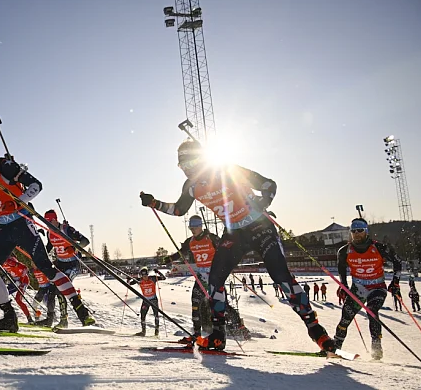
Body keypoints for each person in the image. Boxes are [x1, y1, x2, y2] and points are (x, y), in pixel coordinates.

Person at [140, 138, 335, 352]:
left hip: (260, 228)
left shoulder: (226, 170)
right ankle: (218, 335)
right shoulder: (190, 186)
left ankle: (316, 331)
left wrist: (264, 201)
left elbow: (269, 184)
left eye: (188, 164)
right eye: (181, 166)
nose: (185, 170)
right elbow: (178, 210)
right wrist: (154, 203)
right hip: (234, 234)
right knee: (215, 279)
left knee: (280, 275)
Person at [0, 132, 95, 332]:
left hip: (22, 223)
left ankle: (81, 311)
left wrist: (21, 202)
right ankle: (9, 318)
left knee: (46, 267)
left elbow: (36, 185)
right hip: (4, 227)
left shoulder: (4, 166)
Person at [335, 218, 402, 360]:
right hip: (357, 288)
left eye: (360, 231)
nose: (357, 234)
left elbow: (397, 262)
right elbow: (341, 270)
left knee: (372, 311)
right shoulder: (344, 251)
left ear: (366, 231)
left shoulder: (379, 248)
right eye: (353, 231)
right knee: (345, 319)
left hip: (376, 287)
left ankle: (376, 349)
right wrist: (343, 286)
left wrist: (395, 282)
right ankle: (335, 348)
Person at [163, 215, 218, 343]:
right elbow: (181, 252)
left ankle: (226, 332)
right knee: (195, 304)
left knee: (218, 305)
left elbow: (225, 251)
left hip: (214, 276)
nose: (193, 230)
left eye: (195, 227)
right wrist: (170, 259)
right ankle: (197, 335)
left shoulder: (211, 238)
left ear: (201, 226)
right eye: (191, 228)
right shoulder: (190, 241)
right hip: (201, 277)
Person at [128, 267, 166, 337]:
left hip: (153, 299)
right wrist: (128, 278)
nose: (145, 277)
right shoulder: (139, 280)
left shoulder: (153, 278)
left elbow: (164, 278)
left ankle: (156, 332)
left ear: (148, 274)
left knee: (156, 315)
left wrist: (158, 272)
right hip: (145, 300)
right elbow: (129, 284)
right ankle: (143, 332)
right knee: (142, 315)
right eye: (143, 276)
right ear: (141, 276)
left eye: (146, 275)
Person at [2, 254, 34, 324]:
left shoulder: (11, 261)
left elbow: (25, 268)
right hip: (14, 281)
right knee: (3, 295)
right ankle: (8, 315)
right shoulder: (2, 262)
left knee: (18, 299)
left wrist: (21, 280)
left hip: (23, 282)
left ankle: (29, 318)